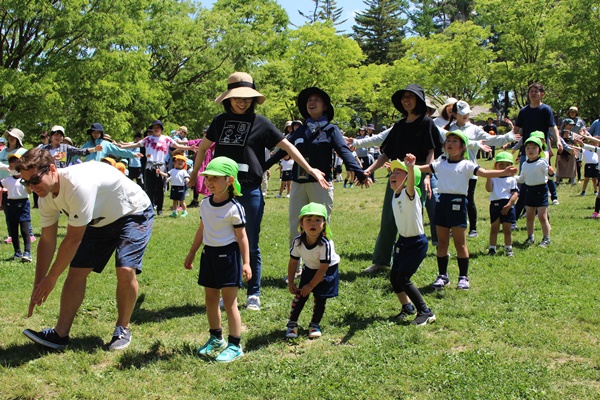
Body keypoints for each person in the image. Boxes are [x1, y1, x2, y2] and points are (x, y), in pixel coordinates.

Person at [187, 72, 329, 311]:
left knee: (250, 242)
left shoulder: (261, 123)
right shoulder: (220, 121)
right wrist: (193, 174)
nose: (242, 102)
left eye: (247, 98)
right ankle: (230, 288)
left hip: (251, 189)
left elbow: (288, 147)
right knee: (225, 242)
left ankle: (253, 292)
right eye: (237, 98)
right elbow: (202, 148)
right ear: (228, 99)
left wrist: (310, 168)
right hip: (224, 191)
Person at [20, 147, 154, 351]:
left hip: (133, 212)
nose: (32, 187)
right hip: (99, 220)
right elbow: (47, 240)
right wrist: (39, 284)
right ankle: (60, 335)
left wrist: (52, 278)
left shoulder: (77, 185)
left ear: (52, 170)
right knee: (76, 273)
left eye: (35, 180)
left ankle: (122, 328)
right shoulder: (45, 196)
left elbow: (73, 239)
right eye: (26, 182)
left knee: (125, 269)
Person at [266, 87, 369, 250]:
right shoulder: (299, 131)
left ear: (325, 107)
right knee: (296, 226)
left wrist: (358, 171)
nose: (311, 103)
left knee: (321, 225)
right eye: (309, 100)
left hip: (321, 185)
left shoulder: (331, 130)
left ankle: (323, 265)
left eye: (316, 100)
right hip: (298, 183)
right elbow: (282, 152)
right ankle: (297, 266)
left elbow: (343, 150)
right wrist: (262, 167)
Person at [416, 131, 517, 290]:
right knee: (442, 243)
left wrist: (504, 172)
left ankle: (463, 277)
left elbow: (484, 173)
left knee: (460, 243)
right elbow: (421, 168)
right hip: (442, 204)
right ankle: (443, 275)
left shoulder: (467, 165)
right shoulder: (440, 163)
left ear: (463, 147)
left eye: (455, 141)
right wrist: (405, 166)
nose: (450, 143)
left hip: (458, 204)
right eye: (448, 140)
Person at [363, 84, 439, 273]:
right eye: (404, 97)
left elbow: (432, 152)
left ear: (419, 100)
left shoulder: (427, 123)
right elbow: (386, 154)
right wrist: (369, 170)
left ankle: (410, 261)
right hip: (396, 176)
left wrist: (428, 175)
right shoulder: (398, 126)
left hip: (416, 174)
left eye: (410, 97)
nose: (406, 100)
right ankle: (381, 261)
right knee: (389, 217)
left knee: (411, 220)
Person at [184, 157, 251, 362]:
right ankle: (216, 337)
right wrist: (193, 252)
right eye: (208, 178)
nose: (209, 182)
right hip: (209, 255)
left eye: (215, 178)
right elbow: (202, 230)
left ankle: (235, 344)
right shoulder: (205, 204)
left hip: (228, 257)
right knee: (210, 299)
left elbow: (242, 237)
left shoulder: (234, 208)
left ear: (229, 181)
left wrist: (246, 262)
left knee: (230, 303)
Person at [441, 100, 518, 238]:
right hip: (452, 169)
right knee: (455, 199)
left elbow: (491, 140)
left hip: (470, 170)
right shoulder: (449, 128)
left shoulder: (474, 129)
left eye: (467, 113)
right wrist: (475, 144)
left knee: (469, 199)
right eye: (462, 114)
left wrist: (507, 137)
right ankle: (456, 226)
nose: (466, 116)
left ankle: (473, 228)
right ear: (455, 114)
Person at [388, 155, 435, 325]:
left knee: (403, 278)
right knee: (394, 278)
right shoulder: (396, 194)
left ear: (409, 178)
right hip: (403, 242)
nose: (393, 175)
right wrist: (397, 172)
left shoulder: (410, 193)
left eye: (399, 173)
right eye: (392, 172)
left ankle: (425, 311)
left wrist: (409, 167)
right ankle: (407, 307)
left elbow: (411, 182)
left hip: (416, 243)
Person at [118, 120, 196, 216]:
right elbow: (136, 144)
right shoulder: (148, 139)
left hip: (161, 165)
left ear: (161, 129)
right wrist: (122, 146)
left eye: (158, 127)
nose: (156, 129)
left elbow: (178, 145)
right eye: (154, 127)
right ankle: (149, 207)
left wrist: (189, 148)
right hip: (149, 165)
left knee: (159, 188)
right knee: (149, 188)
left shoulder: (166, 139)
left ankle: (159, 208)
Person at [285, 203, 339, 339]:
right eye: (308, 219)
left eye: (317, 220)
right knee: (301, 294)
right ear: (301, 223)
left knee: (320, 297)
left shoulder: (325, 244)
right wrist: (291, 282)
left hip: (327, 269)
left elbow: (323, 269)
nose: (313, 223)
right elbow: (293, 262)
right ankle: (292, 323)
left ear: (324, 224)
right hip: (309, 267)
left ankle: (315, 324)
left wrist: (311, 285)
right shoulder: (297, 242)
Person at [512, 83, 562, 216]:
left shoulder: (546, 109)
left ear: (542, 94)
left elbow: (553, 127)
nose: (533, 94)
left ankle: (540, 209)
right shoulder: (524, 111)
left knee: (541, 179)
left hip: (541, 150)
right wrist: (507, 140)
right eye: (531, 92)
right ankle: (524, 209)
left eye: (536, 91)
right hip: (526, 150)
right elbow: (516, 129)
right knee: (524, 180)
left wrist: (558, 141)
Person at [514, 137, 554, 247]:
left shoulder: (542, 162)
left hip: (541, 191)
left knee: (542, 216)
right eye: (527, 148)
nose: (530, 150)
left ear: (539, 150)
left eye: (534, 147)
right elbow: (522, 179)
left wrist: (551, 173)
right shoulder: (525, 164)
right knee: (529, 216)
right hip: (529, 191)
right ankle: (530, 237)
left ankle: (546, 238)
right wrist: (512, 177)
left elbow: (550, 177)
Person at [485, 152, 519, 257]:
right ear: (495, 165)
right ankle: (492, 248)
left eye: (507, 165)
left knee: (507, 229)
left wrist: (509, 205)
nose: (504, 167)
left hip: (507, 204)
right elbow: (489, 189)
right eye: (501, 164)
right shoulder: (494, 178)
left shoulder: (512, 179)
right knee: (494, 228)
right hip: (495, 204)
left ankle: (508, 248)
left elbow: (515, 193)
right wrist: (488, 176)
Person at [0, 154, 33, 262]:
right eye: (11, 164)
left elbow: (30, 192)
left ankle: (27, 252)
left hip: (23, 204)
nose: (13, 166)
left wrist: (27, 185)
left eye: (16, 164)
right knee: (13, 230)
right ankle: (17, 252)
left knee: (24, 230)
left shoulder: (25, 179)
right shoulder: (7, 180)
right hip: (11, 205)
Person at [1, 128, 28, 244]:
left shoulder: (22, 151)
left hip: (17, 183)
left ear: (18, 139)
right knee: (7, 210)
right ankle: (11, 234)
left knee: (23, 210)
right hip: (3, 183)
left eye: (14, 136)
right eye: (9, 136)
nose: (11, 138)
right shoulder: (3, 151)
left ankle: (29, 233)